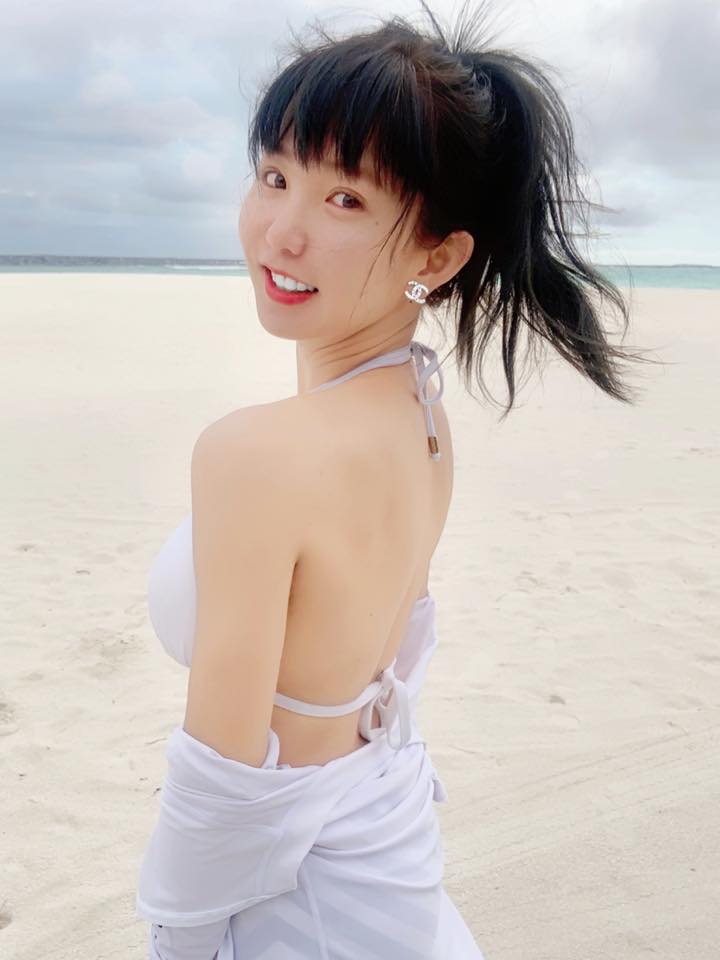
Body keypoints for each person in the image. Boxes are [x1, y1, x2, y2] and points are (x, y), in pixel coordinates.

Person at [136, 2, 650, 956]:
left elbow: (219, 783)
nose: (281, 232)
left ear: (437, 256)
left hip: (294, 907)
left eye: (345, 200)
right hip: (381, 859)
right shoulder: (423, 415)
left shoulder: (254, 454)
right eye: (274, 176)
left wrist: (179, 941)